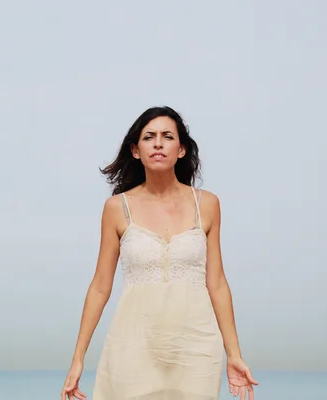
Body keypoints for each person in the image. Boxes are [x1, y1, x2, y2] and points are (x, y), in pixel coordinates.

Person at [61, 106, 258, 400]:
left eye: (167, 136)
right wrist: (78, 359)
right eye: (149, 136)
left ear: (180, 150)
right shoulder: (117, 208)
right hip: (132, 346)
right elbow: (101, 286)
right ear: (136, 150)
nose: (157, 143)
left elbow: (216, 283)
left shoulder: (208, 204)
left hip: (196, 348)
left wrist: (234, 354)